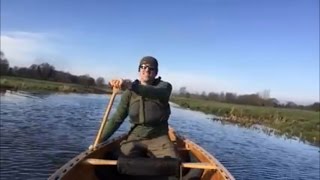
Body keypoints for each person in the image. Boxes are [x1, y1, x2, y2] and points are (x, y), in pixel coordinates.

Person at [100, 56, 178, 159]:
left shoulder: (165, 87)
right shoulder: (129, 93)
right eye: (143, 67)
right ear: (139, 70)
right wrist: (99, 140)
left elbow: (154, 92)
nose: (146, 70)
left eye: (151, 68)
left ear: (156, 72)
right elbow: (117, 119)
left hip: (159, 137)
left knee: (173, 164)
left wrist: (130, 85)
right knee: (121, 161)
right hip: (135, 137)